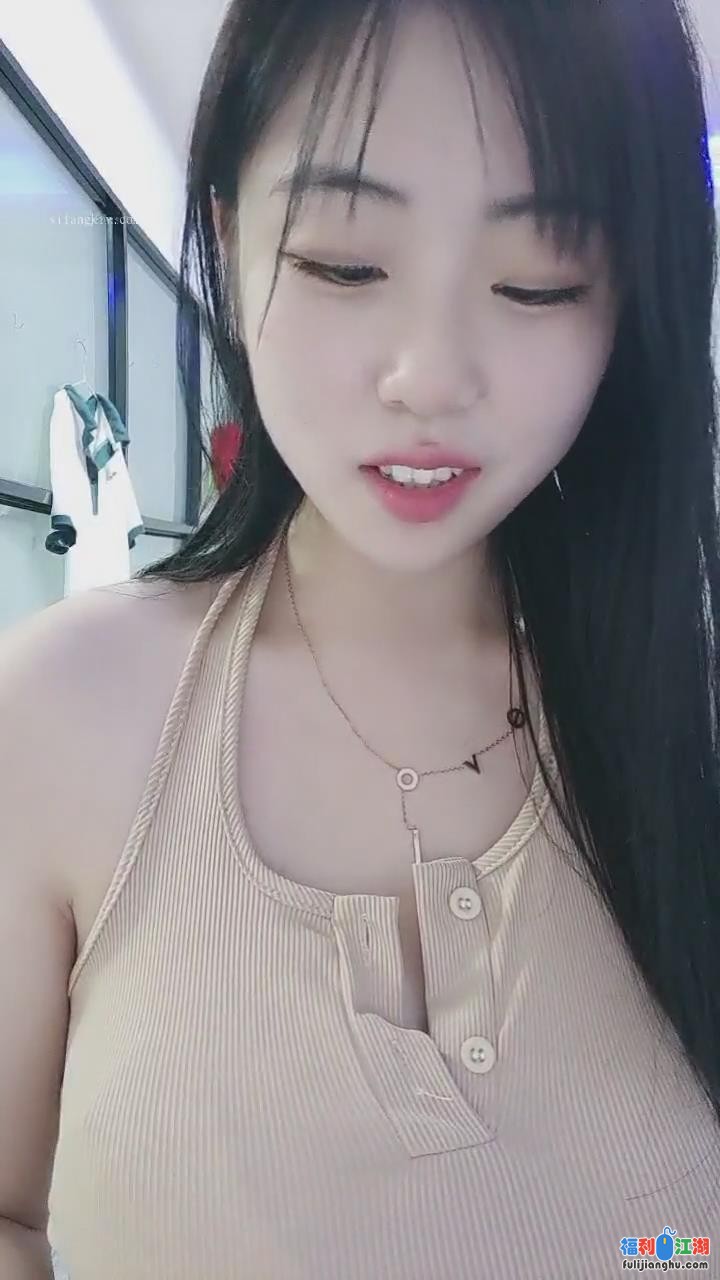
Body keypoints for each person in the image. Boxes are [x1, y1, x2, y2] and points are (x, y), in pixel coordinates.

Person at [2, 0, 719, 1276]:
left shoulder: (690, 711)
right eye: (345, 263)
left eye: (538, 280)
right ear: (229, 236)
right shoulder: (62, 711)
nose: (429, 375)